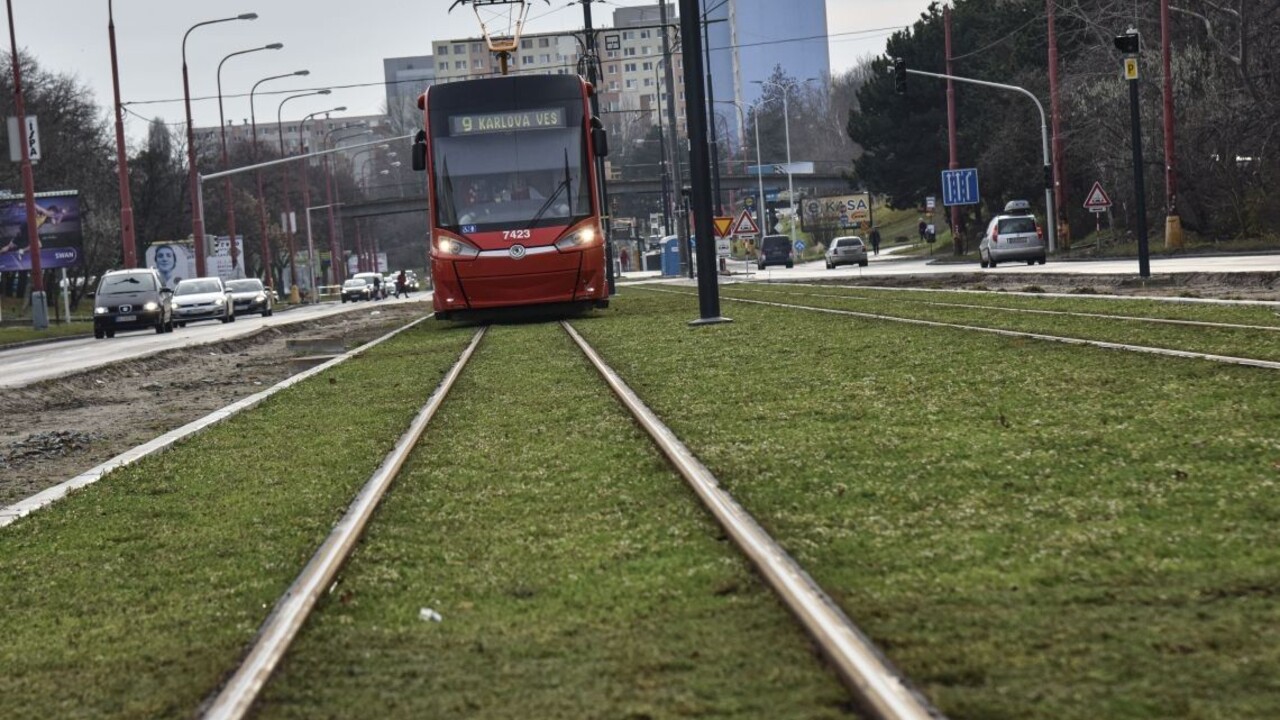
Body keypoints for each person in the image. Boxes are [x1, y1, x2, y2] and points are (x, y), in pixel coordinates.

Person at [0, 202, 66, 254]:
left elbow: (56, 224)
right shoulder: (43, 211)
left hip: (26, 228)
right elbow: (34, 204)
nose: (53, 215)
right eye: (53, 213)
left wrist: (62, 215)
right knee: (38, 245)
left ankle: (18, 251)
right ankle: (22, 251)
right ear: (50, 210)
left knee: (11, 246)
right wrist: (22, 204)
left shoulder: (48, 217)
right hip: (28, 226)